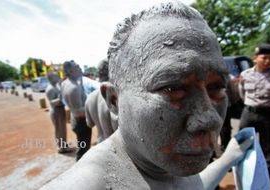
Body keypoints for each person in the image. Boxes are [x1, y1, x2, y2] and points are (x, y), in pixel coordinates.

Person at [42, 2, 253, 189]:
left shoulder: (162, 162)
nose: (211, 119)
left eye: (216, 87)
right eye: (172, 89)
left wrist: (227, 159)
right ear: (114, 101)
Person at [238, 43, 270, 179]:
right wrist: (251, 106)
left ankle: (266, 177)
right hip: (249, 113)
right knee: (243, 142)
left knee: (269, 147)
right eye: (264, 57)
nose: (268, 61)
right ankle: (244, 172)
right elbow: (242, 94)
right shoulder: (245, 74)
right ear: (255, 58)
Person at [61, 60, 92, 161]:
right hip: (81, 123)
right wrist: (93, 106)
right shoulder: (73, 87)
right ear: (70, 71)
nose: (79, 67)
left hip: (75, 120)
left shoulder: (65, 83)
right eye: (76, 67)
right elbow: (78, 112)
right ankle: (81, 169)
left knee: (83, 147)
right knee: (83, 151)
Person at [85, 58, 118, 143]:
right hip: (118, 149)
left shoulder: (90, 98)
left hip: (102, 144)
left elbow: (90, 124)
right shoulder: (115, 96)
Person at [45, 73, 71, 153]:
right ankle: (61, 148)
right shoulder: (50, 89)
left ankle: (64, 145)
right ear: (51, 78)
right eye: (56, 76)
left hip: (60, 110)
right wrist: (60, 98)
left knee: (63, 129)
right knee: (59, 130)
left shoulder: (56, 86)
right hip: (56, 111)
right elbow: (51, 102)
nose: (58, 77)